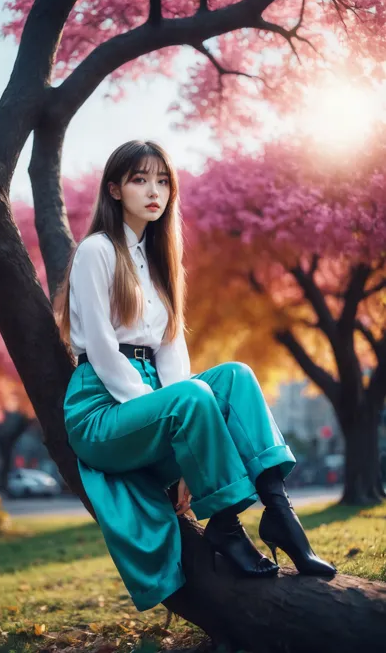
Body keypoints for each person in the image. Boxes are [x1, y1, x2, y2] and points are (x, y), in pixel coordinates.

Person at [56, 140, 336, 612]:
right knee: (192, 396)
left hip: (154, 408)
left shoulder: (162, 259)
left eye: (163, 181)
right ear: (115, 189)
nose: (154, 191)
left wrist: (188, 439)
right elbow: (103, 351)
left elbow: (171, 351)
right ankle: (227, 526)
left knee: (235, 377)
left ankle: (280, 512)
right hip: (101, 410)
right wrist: (175, 416)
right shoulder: (97, 251)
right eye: (140, 179)